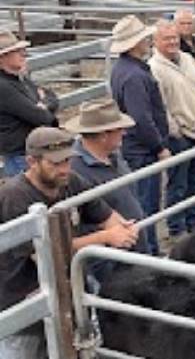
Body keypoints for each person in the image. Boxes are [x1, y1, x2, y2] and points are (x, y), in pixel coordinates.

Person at [0, 127, 139, 311]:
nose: (64, 169)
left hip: (70, 282)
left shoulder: (70, 181)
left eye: (67, 160)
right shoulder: (14, 196)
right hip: (25, 294)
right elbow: (44, 252)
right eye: (55, 163)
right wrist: (105, 237)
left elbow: (103, 213)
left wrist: (123, 228)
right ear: (32, 162)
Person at [108, 15, 170, 255]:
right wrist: (159, 146)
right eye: (144, 38)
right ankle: (149, 252)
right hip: (142, 150)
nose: (148, 41)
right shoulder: (134, 75)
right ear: (135, 43)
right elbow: (141, 118)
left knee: (142, 202)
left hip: (134, 147)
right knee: (145, 205)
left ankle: (148, 250)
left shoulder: (123, 70)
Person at [147, 20, 195, 238]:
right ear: (155, 41)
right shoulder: (155, 68)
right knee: (178, 183)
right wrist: (175, 131)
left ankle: (194, 220)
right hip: (179, 134)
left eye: (174, 37)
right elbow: (161, 106)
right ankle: (177, 226)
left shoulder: (188, 59)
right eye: (166, 38)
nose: (172, 42)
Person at [64, 99, 150, 254]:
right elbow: (77, 222)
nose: (124, 133)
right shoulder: (75, 172)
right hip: (110, 257)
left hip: (133, 241)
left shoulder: (113, 154)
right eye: (119, 129)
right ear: (104, 135)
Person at [0, 31, 57, 178]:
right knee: (28, 195)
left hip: (30, 151)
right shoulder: (4, 86)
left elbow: (52, 97)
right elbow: (39, 117)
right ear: (2, 58)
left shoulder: (20, 79)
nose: (23, 54)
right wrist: (42, 107)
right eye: (16, 51)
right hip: (21, 154)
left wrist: (43, 104)